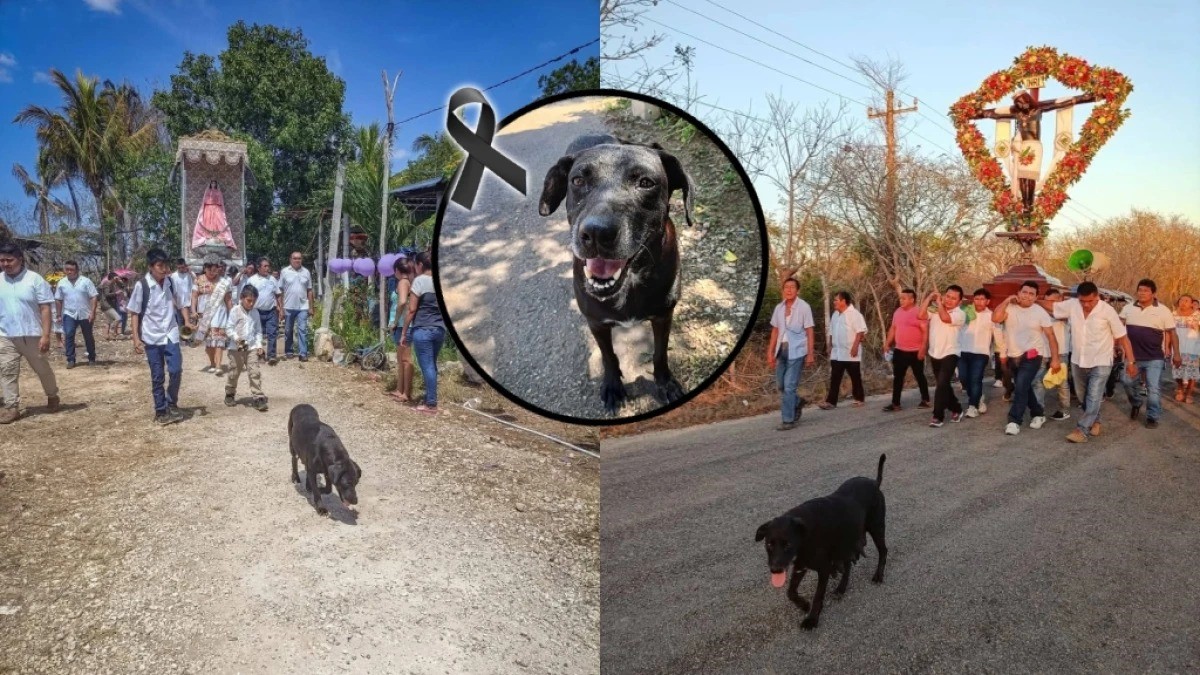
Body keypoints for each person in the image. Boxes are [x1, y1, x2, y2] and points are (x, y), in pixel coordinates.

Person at [1043, 282, 1137, 443]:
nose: (1086, 305)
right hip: (1078, 360)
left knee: (1094, 395)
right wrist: (1032, 301)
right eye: (1082, 301)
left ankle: (1082, 430)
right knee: (1083, 397)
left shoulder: (1107, 311)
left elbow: (1123, 337)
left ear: (1097, 297)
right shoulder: (1072, 305)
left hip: (1101, 360)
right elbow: (1053, 307)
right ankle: (1096, 421)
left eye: (1090, 301)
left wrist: (1131, 362)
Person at [0, 240, 60, 424]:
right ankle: (11, 407)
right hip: (6, 335)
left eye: (9, 260)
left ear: (20, 259)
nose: (5, 264)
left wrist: (46, 335)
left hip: (32, 334)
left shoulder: (34, 280)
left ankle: (52, 395)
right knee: (7, 371)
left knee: (42, 369)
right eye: (2, 260)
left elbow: (45, 308)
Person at [128, 248, 189, 426]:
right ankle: (161, 411)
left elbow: (182, 303)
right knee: (157, 375)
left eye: (165, 265)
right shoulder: (142, 286)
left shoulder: (171, 282)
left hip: (171, 334)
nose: (164, 269)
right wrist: (136, 338)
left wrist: (186, 321)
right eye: (159, 265)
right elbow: (134, 313)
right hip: (152, 337)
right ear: (150, 267)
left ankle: (172, 402)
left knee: (176, 370)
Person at [992, 281, 1061, 436]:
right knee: (1024, 387)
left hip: (1033, 355)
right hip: (1013, 355)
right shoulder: (1009, 307)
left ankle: (1014, 420)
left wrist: (1055, 359)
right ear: (1018, 293)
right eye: (1024, 292)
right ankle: (1038, 413)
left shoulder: (1040, 312)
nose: (1027, 296)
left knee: (1021, 386)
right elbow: (996, 318)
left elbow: (1051, 336)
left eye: (1031, 294)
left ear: (1036, 297)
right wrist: (1007, 300)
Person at [1119, 279, 1182, 429]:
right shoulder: (1128, 308)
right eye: (1140, 290)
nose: (1142, 293)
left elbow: (1172, 334)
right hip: (1132, 357)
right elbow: (1118, 327)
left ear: (1153, 293)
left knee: (1153, 388)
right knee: (1127, 382)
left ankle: (1152, 417)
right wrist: (1116, 346)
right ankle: (1136, 402)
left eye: (1146, 291)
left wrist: (1177, 354)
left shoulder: (1163, 310)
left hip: (1154, 357)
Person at [767, 278, 816, 430]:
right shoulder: (779, 308)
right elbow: (775, 330)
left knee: (789, 386)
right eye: (786, 287)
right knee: (781, 385)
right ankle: (797, 401)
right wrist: (770, 352)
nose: (789, 290)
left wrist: (810, 354)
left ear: (797, 290)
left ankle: (788, 420)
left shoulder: (804, 307)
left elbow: (809, 331)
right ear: (783, 290)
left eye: (792, 287)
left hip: (797, 350)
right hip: (781, 350)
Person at [402, 252, 445, 415]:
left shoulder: (420, 281)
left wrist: (404, 331)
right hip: (439, 329)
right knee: (431, 365)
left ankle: (431, 404)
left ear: (420, 265)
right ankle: (429, 398)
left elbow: (412, 309)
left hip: (423, 329)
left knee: (427, 366)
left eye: (415, 265)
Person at [919, 285, 966, 427]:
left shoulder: (960, 314)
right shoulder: (934, 310)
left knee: (941, 385)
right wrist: (929, 298)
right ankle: (956, 408)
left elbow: (945, 318)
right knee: (943, 385)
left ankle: (937, 416)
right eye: (947, 296)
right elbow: (920, 315)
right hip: (935, 352)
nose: (949, 300)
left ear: (959, 301)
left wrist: (939, 303)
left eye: (954, 298)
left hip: (951, 353)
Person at [882, 288, 930, 412]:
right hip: (899, 350)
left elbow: (925, 331)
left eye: (904, 298)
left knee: (919, 375)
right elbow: (893, 328)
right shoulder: (897, 312)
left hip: (915, 351)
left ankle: (925, 400)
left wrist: (923, 348)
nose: (901, 300)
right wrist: (887, 343)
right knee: (898, 377)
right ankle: (895, 403)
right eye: (900, 298)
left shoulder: (919, 312)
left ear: (912, 299)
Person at [819, 290, 867, 409]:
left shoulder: (855, 314)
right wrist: (830, 345)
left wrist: (855, 347)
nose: (834, 302)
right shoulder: (835, 315)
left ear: (843, 301)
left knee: (855, 377)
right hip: (837, 352)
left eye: (836, 300)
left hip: (850, 352)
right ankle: (831, 402)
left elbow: (860, 332)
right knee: (835, 377)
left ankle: (859, 398)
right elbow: (831, 331)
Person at [223, 284, 268, 411]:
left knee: (254, 372)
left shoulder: (255, 312)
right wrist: (237, 338)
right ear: (242, 298)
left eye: (254, 301)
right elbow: (229, 328)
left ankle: (258, 397)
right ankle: (230, 393)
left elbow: (258, 331)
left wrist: (259, 345)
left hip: (251, 347)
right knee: (234, 372)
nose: (251, 303)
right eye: (249, 300)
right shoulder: (235, 311)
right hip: (236, 348)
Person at [958, 288, 997, 418]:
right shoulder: (965, 312)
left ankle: (972, 406)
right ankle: (978, 397)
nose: (979, 302)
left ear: (987, 301)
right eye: (976, 299)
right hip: (963, 350)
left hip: (981, 353)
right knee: (963, 378)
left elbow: (997, 334)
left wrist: (1001, 352)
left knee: (975, 379)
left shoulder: (992, 315)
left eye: (982, 299)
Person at [55, 260, 99, 368]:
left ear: (77, 270)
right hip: (69, 313)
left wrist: (93, 312)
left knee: (88, 336)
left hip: (85, 313)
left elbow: (93, 297)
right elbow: (58, 299)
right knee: (69, 334)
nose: (69, 272)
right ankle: (71, 359)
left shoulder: (86, 281)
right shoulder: (61, 283)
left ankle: (92, 357)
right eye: (67, 269)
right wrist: (58, 314)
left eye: (72, 270)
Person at [1037, 289, 1073, 421]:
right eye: (1048, 301)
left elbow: (1057, 314)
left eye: (1053, 301)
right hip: (1043, 352)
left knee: (1062, 383)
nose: (1050, 304)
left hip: (1061, 352)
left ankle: (1064, 410)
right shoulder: (1039, 312)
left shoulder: (1066, 312)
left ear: (1060, 300)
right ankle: (1038, 410)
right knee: (1038, 381)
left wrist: (1038, 301)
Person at [190, 262, 229, 374]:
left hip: (220, 313)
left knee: (219, 339)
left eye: (215, 270)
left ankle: (218, 366)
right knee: (209, 341)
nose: (212, 273)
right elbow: (194, 297)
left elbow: (228, 299)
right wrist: (193, 311)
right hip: (204, 313)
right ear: (205, 269)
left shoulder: (223, 282)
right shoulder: (198, 280)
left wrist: (232, 314)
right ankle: (212, 363)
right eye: (210, 270)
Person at [246, 256, 284, 365]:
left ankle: (271, 356)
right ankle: (260, 355)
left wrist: (281, 308)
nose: (267, 268)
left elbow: (278, 294)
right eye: (265, 266)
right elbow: (247, 295)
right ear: (258, 268)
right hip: (256, 312)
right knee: (258, 335)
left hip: (271, 311)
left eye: (268, 266)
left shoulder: (272, 279)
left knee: (272, 334)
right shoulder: (252, 280)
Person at [280, 251, 315, 362]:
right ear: (290, 259)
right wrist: (280, 308)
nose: (297, 260)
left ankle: (303, 353)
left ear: (301, 260)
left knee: (302, 330)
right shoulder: (284, 272)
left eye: (299, 258)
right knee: (288, 330)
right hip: (288, 306)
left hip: (303, 306)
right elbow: (280, 291)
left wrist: (311, 307)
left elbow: (309, 290)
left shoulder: (306, 272)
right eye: (295, 258)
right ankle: (289, 351)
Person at [389, 256, 414, 403]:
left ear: (397, 270)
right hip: (400, 325)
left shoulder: (403, 283)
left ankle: (406, 393)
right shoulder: (405, 282)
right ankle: (400, 389)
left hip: (403, 325)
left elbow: (402, 302)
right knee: (400, 359)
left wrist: (395, 321)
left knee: (405, 360)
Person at [191, 180, 237, 251]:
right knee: (208, 222)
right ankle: (208, 236)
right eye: (212, 183)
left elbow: (220, 201)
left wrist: (217, 203)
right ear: (210, 184)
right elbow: (204, 200)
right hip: (208, 208)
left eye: (214, 183)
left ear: (216, 184)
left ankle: (217, 236)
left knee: (218, 222)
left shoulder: (218, 192)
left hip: (216, 208)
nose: (213, 184)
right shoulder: (207, 191)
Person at [1173, 294, 1199, 404]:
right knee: (1177, 370)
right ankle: (1180, 388)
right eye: (1181, 300)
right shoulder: (1173, 315)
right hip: (1177, 348)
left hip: (1193, 348)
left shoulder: (1197, 315)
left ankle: (1189, 393)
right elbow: (1169, 332)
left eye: (1186, 300)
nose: (1183, 302)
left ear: (1192, 303)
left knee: (1192, 372)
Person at [170, 258, 195, 334]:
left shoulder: (189, 274)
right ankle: (181, 338)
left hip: (189, 302)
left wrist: (190, 271)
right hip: (178, 303)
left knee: (190, 323)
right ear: (176, 266)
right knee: (180, 323)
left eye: (182, 267)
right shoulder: (173, 276)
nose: (181, 269)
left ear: (185, 266)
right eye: (179, 268)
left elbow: (195, 281)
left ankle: (189, 338)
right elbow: (172, 291)